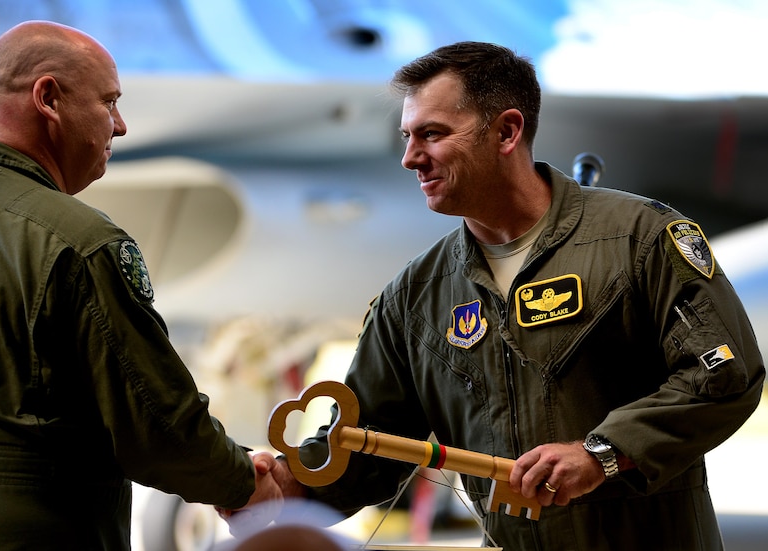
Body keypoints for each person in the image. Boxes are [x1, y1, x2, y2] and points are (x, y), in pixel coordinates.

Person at [233, 42, 766, 549]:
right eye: (407, 137)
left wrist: (602, 453)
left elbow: (723, 375)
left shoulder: (640, 239)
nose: (410, 158)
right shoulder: (417, 295)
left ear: (507, 131)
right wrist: (289, 484)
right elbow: (371, 441)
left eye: (432, 134)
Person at [0, 21, 280, 550]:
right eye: (108, 102)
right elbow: (155, 420)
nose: (119, 126)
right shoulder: (77, 240)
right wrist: (242, 480)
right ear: (48, 98)